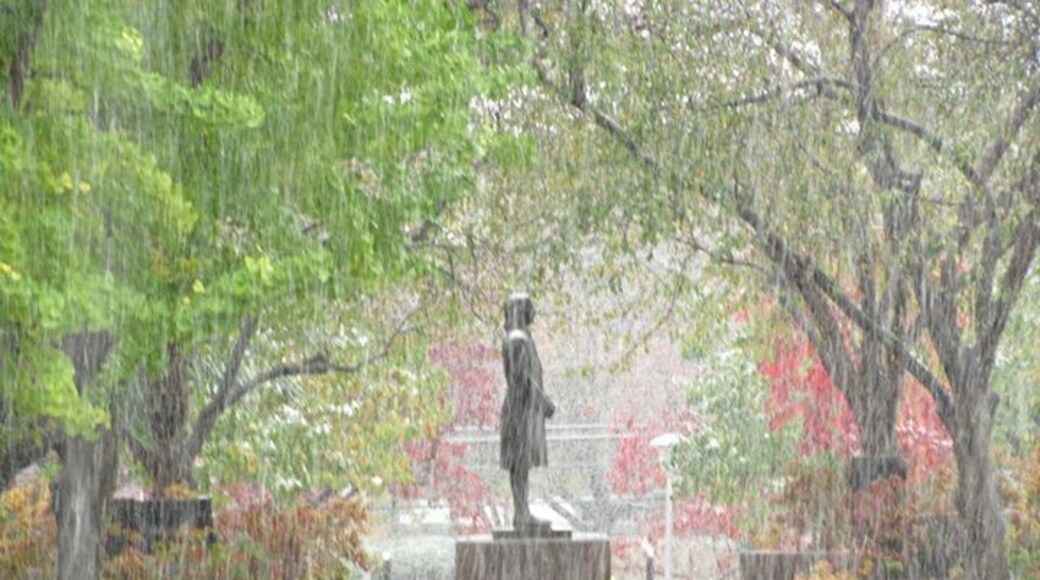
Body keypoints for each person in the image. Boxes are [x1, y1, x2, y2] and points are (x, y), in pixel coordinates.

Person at [499, 293, 555, 529]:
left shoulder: (519, 338)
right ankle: (521, 513)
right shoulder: (517, 339)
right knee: (519, 465)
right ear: (522, 311)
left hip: (520, 410)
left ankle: (522, 512)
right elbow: (521, 379)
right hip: (519, 411)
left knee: (521, 466)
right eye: (530, 309)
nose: (534, 315)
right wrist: (543, 402)